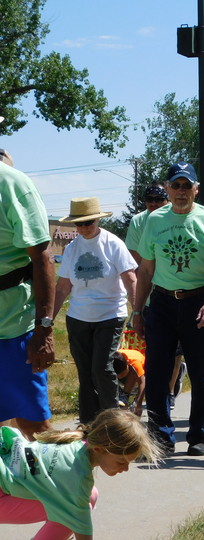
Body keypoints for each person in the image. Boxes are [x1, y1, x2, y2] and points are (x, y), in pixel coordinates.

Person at [133, 161, 204, 457]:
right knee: (157, 370)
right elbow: (146, 269)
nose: (180, 191)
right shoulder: (155, 220)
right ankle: (161, 435)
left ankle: (198, 434)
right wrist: (138, 310)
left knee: (202, 374)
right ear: (167, 188)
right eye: (175, 185)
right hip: (162, 302)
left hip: (199, 301)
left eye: (186, 185)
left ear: (196, 190)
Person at [0, 408, 161, 540]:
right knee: (70, 513)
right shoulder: (76, 478)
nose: (125, 469)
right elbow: (83, 531)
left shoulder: (77, 443)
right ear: (98, 449)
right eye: (121, 462)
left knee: (88, 497)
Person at [53, 197, 138, 424]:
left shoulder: (113, 243)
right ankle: (88, 425)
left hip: (110, 314)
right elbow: (63, 287)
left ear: (98, 220)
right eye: (78, 224)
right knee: (85, 373)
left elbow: (130, 279)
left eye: (88, 222)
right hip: (79, 317)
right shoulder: (72, 248)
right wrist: (47, 319)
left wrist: (138, 311)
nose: (83, 228)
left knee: (102, 368)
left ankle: (112, 421)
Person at [0, 150, 55, 440]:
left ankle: (57, 484)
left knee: (34, 427)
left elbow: (42, 257)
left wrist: (43, 330)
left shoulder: (12, 184)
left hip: (13, 328)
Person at [124, 183, 187, 410]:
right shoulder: (139, 221)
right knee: (154, 350)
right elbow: (134, 256)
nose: (153, 204)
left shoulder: (175, 216)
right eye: (149, 199)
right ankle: (155, 392)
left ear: (167, 199)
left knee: (176, 350)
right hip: (151, 294)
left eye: (158, 200)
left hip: (175, 292)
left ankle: (169, 391)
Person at [112, 348, 146, 416]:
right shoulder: (114, 359)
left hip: (140, 372)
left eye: (122, 374)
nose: (120, 377)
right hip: (125, 365)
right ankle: (123, 397)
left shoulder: (135, 363)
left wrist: (138, 403)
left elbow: (142, 383)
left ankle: (125, 395)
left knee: (132, 372)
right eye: (118, 375)